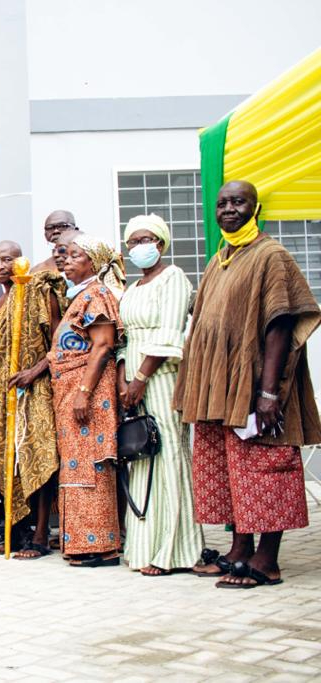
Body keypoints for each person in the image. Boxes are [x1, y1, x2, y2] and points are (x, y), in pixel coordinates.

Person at [173, 180, 320, 589]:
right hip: (221, 384)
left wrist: (269, 392)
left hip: (259, 384)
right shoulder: (222, 257)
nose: (229, 209)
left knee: (263, 467)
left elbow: (281, 323)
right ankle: (239, 549)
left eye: (239, 202)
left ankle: (267, 560)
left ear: (255, 208)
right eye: (222, 203)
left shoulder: (271, 255)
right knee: (230, 467)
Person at [115, 215, 203, 576]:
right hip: (132, 381)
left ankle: (175, 550)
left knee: (167, 454)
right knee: (141, 455)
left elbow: (168, 333)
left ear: (161, 244)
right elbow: (124, 340)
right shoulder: (133, 289)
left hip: (161, 377)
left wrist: (140, 378)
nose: (139, 247)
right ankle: (143, 548)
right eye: (133, 242)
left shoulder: (174, 279)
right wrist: (123, 380)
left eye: (146, 240)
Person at [0, 240, 66, 559]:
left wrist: (35, 370)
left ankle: (43, 534)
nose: (2, 265)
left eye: (8, 259)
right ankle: (15, 532)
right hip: (3, 394)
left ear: (22, 261)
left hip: (36, 386)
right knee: (8, 461)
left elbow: (61, 340)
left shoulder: (38, 292)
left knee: (39, 455)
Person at [49, 232, 126, 568]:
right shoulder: (79, 296)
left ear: (93, 262)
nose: (67, 259)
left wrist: (83, 391)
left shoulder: (98, 295)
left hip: (87, 394)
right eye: (65, 254)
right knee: (76, 466)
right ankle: (81, 543)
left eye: (76, 255)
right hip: (70, 392)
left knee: (90, 466)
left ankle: (100, 546)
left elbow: (103, 345)